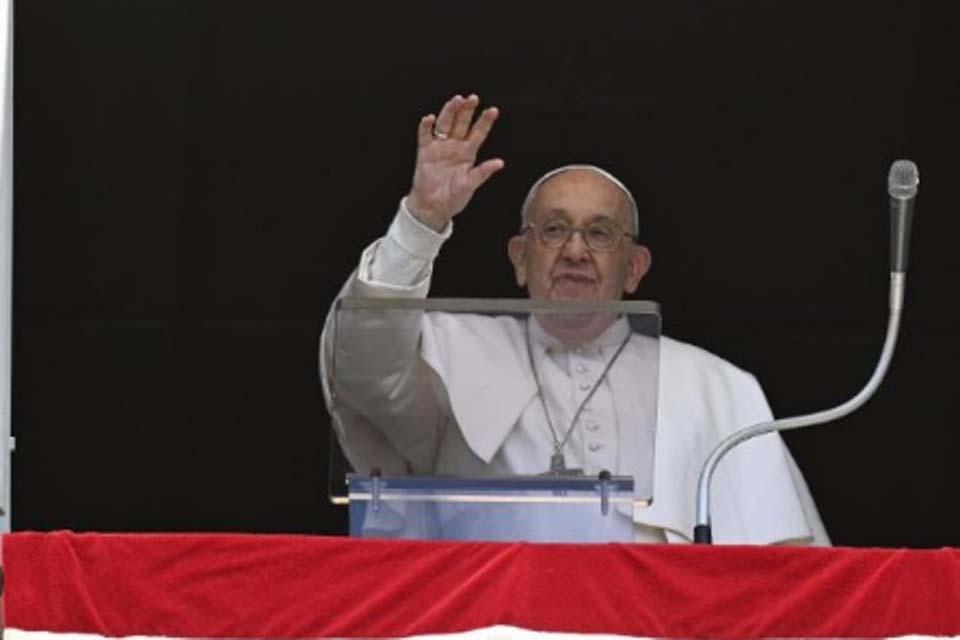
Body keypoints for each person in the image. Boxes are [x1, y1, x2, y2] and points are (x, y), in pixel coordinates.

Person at [321, 94, 829, 545]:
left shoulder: (717, 385)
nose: (575, 251)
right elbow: (362, 368)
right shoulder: (448, 347)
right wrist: (422, 218)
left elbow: (782, 565)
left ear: (635, 268)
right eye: (553, 229)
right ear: (520, 259)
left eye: (601, 233)